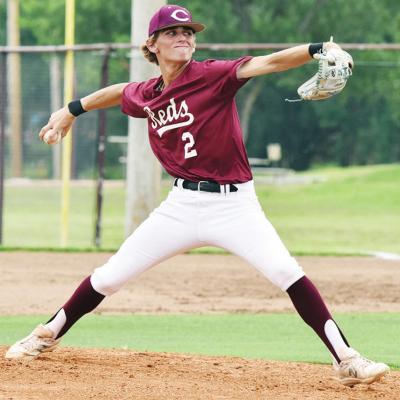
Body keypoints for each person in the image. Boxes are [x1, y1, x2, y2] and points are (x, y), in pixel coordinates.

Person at [6, 5, 389, 387]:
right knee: (110, 276)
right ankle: (45, 335)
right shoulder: (148, 93)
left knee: (287, 273)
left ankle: (347, 359)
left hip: (235, 205)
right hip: (181, 206)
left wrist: (317, 48)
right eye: (173, 33)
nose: (184, 37)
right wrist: (71, 110)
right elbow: (119, 92)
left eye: (189, 32)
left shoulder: (213, 75)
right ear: (152, 44)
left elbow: (268, 63)